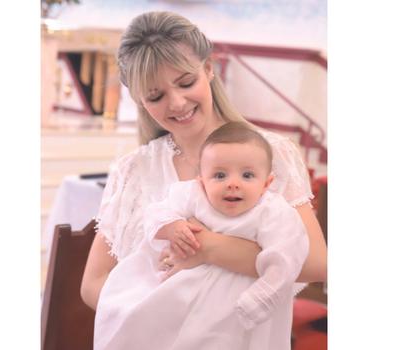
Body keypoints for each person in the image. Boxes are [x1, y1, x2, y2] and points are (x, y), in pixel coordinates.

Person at [81, 8, 326, 345]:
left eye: (186, 83)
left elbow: (314, 263)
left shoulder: (271, 154)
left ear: (208, 69)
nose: (178, 103)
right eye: (156, 96)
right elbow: (94, 281)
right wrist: (158, 319)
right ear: (139, 100)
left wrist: (208, 248)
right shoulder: (135, 171)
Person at [93, 122, 309, 349]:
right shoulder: (193, 195)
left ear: (267, 183)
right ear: (202, 180)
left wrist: (261, 298)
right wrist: (173, 226)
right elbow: (156, 212)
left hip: (236, 305)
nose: (233, 184)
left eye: (247, 175)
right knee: (144, 322)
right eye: (219, 175)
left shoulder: (273, 212)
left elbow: (287, 257)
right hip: (184, 294)